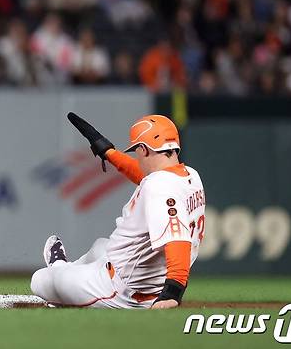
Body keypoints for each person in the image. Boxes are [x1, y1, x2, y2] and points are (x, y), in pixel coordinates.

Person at [31, 114, 205, 309]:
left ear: (144, 149)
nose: (136, 157)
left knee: (39, 280)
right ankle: (71, 273)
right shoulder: (189, 175)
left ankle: (59, 268)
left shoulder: (159, 187)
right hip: (137, 275)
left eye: (136, 151)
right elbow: (147, 178)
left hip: (121, 290)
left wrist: (172, 293)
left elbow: (177, 239)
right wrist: (109, 153)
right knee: (100, 246)